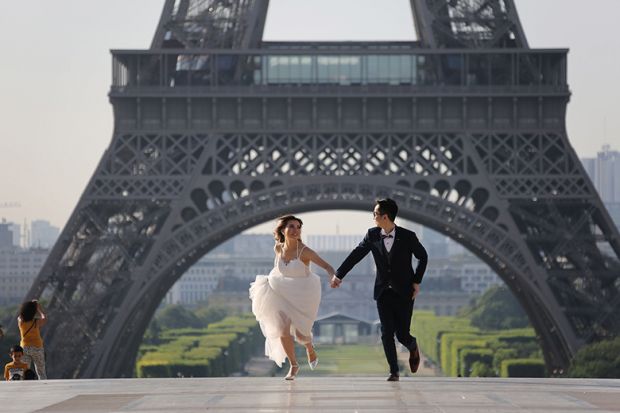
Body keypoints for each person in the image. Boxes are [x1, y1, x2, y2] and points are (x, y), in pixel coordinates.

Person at [331, 198, 428, 381]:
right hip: (383, 290)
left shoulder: (408, 236)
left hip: (404, 291)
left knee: (402, 335)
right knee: (386, 332)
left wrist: (417, 281)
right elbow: (356, 254)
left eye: (375, 214)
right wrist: (339, 275)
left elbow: (423, 257)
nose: (373, 217)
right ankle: (394, 371)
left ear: (385, 216)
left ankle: (412, 345)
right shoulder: (372, 234)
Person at [249, 215, 336, 380]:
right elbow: (277, 270)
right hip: (280, 293)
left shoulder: (305, 251)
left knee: (301, 335)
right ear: (283, 230)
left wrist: (333, 277)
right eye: (292, 226)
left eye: (298, 227)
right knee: (283, 330)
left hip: (302, 294)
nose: (296, 230)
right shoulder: (277, 249)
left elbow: (327, 266)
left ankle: (310, 348)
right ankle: (294, 365)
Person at [18, 299, 47, 380]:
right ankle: (44, 386)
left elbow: (20, 315)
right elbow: (44, 318)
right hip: (37, 347)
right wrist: (38, 308)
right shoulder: (36, 322)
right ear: (34, 312)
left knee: (24, 371)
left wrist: (28, 306)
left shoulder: (21, 322)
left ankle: (23, 388)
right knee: (41, 371)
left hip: (25, 348)